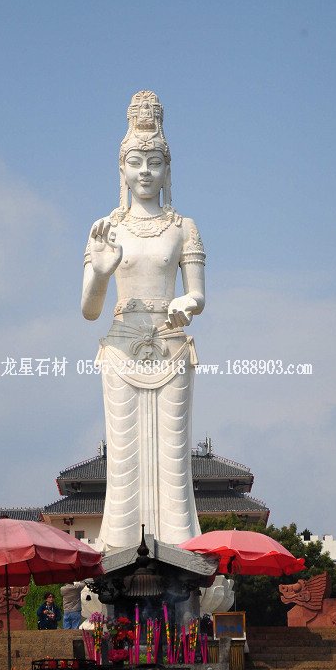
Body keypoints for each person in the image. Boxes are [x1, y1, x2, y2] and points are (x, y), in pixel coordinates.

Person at [82, 90, 205, 549]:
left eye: (155, 162)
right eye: (136, 162)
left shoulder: (184, 227)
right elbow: (89, 309)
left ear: (168, 169)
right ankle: (116, 548)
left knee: (173, 455)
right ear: (122, 169)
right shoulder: (107, 229)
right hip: (121, 348)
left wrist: (187, 303)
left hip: (171, 346)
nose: (146, 172)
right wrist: (100, 272)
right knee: (124, 457)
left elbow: (198, 294)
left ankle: (181, 548)